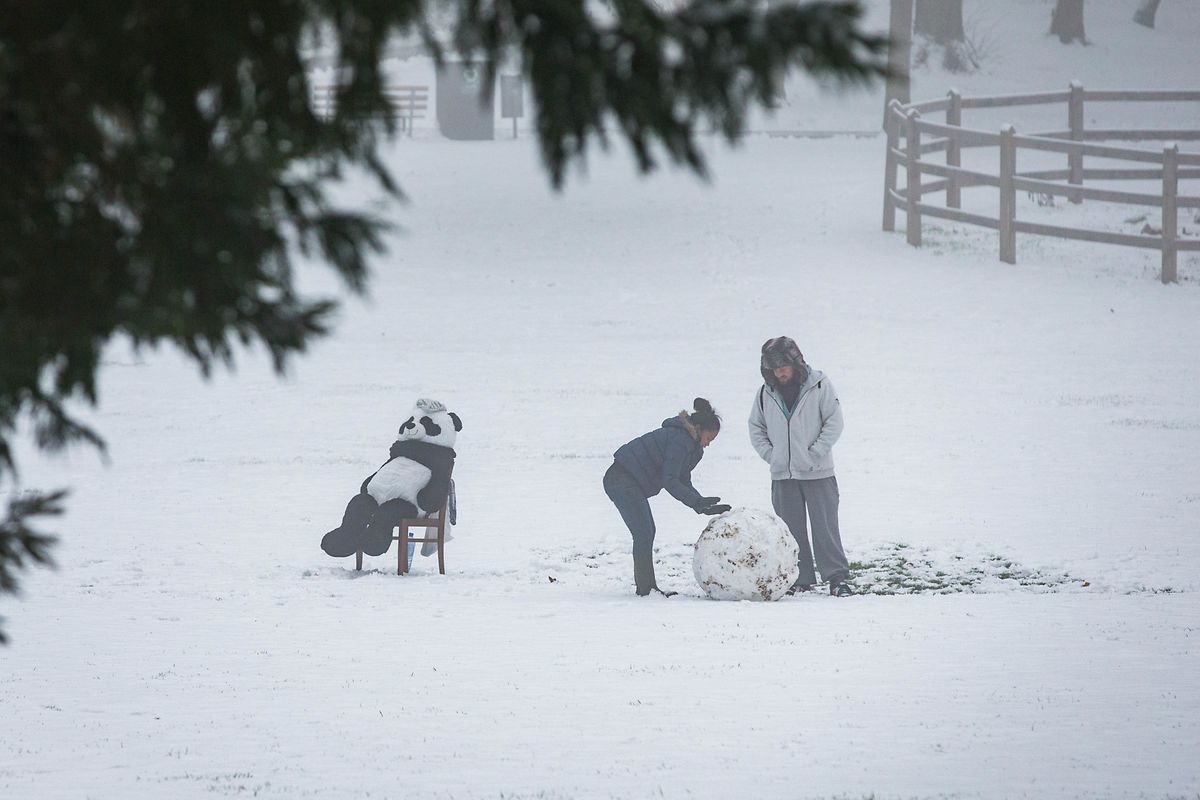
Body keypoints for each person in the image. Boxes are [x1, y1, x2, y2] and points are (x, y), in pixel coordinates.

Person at [748, 337, 852, 596]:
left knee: (825, 528)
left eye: (784, 365)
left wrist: (814, 453)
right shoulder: (764, 393)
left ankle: (837, 578)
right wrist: (773, 456)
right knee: (790, 531)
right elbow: (756, 428)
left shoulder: (819, 385)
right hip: (783, 475)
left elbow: (834, 422)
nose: (780, 371)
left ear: (796, 363)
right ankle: (799, 579)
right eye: (774, 367)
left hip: (818, 473)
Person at [604, 398, 730, 596]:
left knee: (645, 531)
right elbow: (670, 480)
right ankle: (646, 590)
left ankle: (647, 588)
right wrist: (696, 502)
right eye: (709, 438)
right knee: (644, 531)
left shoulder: (689, 444)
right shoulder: (679, 440)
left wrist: (700, 504)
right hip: (622, 479)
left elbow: (682, 479)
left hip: (628, 480)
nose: (708, 444)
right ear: (698, 428)